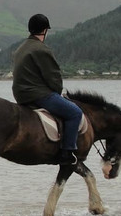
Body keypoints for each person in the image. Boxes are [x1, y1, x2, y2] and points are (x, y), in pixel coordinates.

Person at [12, 13, 83, 165]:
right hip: (38, 95)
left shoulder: (21, 48)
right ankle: (67, 152)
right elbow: (53, 78)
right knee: (75, 113)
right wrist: (57, 93)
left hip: (20, 95)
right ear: (44, 31)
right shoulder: (41, 49)